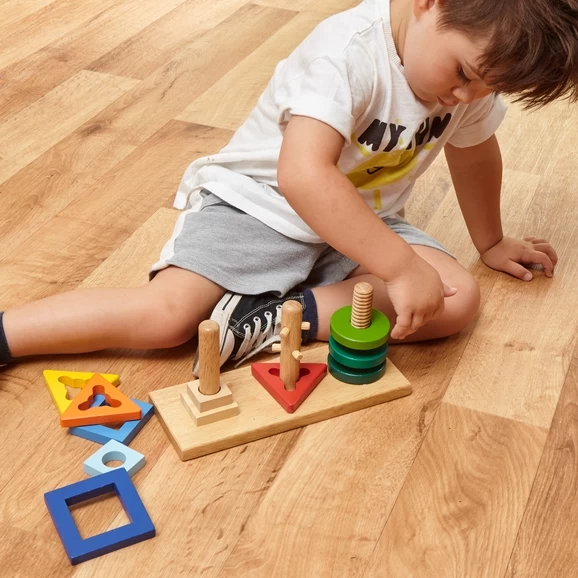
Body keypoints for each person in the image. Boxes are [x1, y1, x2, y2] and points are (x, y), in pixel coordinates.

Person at [1, 0, 573, 371]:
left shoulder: (468, 80)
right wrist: (399, 267)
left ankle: (273, 318)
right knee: (167, 318)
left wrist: (490, 241)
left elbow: (474, 153)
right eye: (464, 75)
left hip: (360, 225)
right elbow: (303, 175)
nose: (465, 98)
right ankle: (9, 335)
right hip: (259, 209)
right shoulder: (346, 52)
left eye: (488, 89)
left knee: (455, 299)